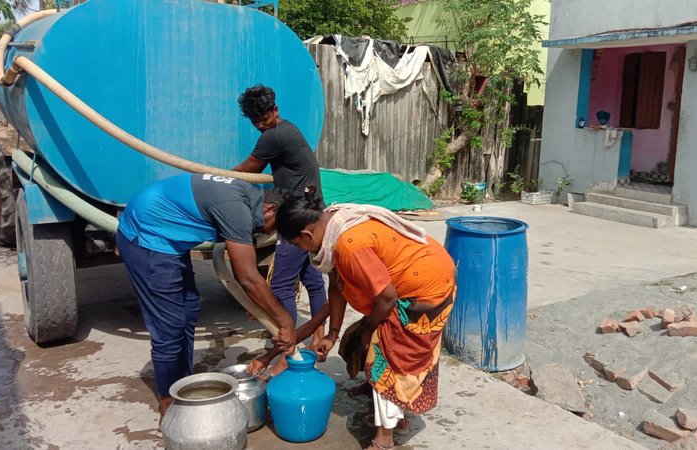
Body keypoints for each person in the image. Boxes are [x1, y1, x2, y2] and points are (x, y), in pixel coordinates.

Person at [273, 188, 456, 450]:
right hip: (412, 279)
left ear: (307, 234)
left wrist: (370, 328)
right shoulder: (333, 224)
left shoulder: (349, 244)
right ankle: (388, 408)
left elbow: (386, 298)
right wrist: (332, 334)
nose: (298, 249)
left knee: (387, 361)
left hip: (424, 290)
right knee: (354, 341)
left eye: (296, 244)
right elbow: (337, 284)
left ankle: (385, 438)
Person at [116, 173, 296, 422]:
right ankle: (168, 406)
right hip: (147, 237)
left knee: (189, 309)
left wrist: (259, 305)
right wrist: (284, 321)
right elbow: (247, 277)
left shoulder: (249, 197)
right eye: (275, 226)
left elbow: (247, 277)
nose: (270, 232)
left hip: (169, 238)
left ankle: (182, 383)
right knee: (169, 327)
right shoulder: (236, 209)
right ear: (270, 208)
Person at [231, 84, 327, 373]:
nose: (262, 125)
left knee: (282, 283)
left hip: (297, 220)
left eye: (265, 118)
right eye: (256, 122)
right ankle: (317, 338)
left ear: (276, 111)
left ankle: (287, 352)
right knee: (312, 280)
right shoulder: (286, 130)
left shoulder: (275, 135)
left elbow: (250, 168)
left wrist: (215, 178)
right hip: (312, 212)